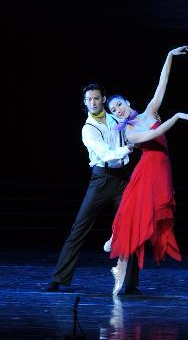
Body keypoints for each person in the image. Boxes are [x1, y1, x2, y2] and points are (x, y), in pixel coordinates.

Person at [105, 46, 188, 295]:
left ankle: (119, 261)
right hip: (147, 172)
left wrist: (168, 56)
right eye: (113, 110)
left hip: (161, 171)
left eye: (119, 105)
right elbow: (155, 133)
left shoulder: (150, 111)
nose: (118, 110)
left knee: (149, 218)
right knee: (137, 218)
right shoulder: (129, 132)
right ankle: (120, 260)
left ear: (127, 102)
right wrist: (177, 115)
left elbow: (162, 84)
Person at [45, 82, 141, 294]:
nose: (93, 102)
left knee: (130, 229)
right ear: (85, 102)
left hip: (123, 179)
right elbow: (106, 154)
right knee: (79, 227)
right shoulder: (88, 129)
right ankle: (58, 277)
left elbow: (136, 128)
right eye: (89, 99)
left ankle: (131, 283)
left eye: (96, 98)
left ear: (103, 99)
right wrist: (129, 147)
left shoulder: (116, 118)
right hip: (101, 179)